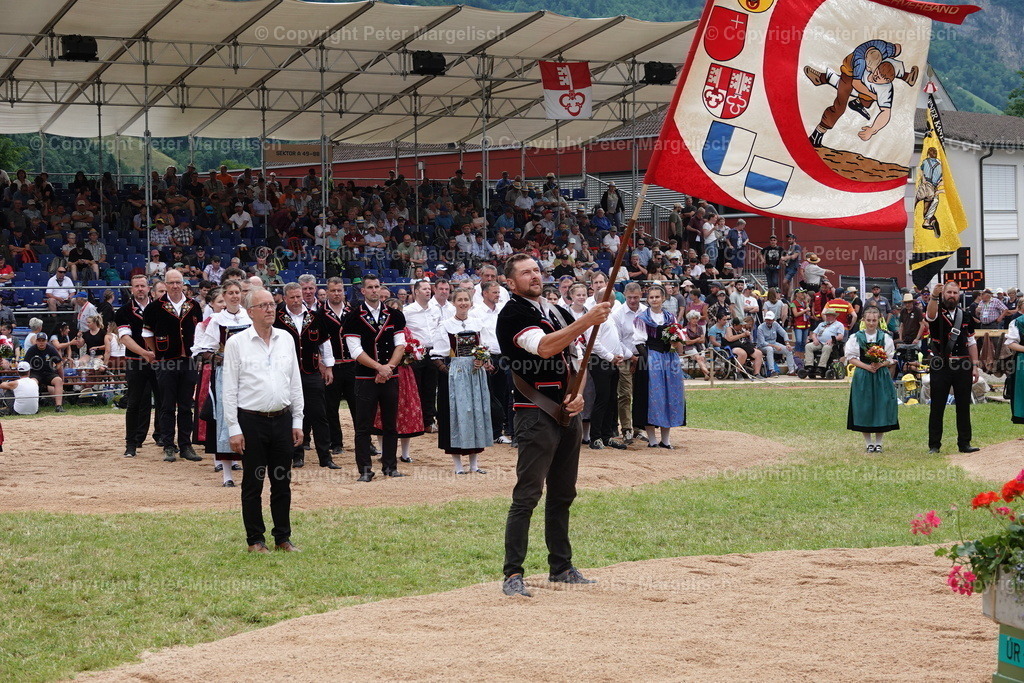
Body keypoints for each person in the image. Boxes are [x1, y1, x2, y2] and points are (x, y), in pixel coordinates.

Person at [496, 254, 611, 597]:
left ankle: (561, 567)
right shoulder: (513, 315)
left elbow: (578, 356)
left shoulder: (557, 311)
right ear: (510, 282)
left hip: (567, 411)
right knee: (527, 495)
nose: (534, 275)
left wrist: (578, 394)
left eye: (536, 270)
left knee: (563, 493)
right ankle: (513, 573)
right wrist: (588, 319)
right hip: (534, 411)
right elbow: (545, 347)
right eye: (525, 272)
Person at [222, 287, 304, 553]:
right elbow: (229, 390)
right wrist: (234, 428)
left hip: (282, 420)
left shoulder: (287, 338)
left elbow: (295, 382)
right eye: (263, 305)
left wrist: (297, 421)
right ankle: (255, 540)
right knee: (253, 483)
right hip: (251, 422)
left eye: (272, 304)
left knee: (282, 482)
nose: (270, 309)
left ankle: (283, 537)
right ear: (250, 312)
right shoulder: (237, 343)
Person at [343, 274, 408, 481]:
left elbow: (401, 345)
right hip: (365, 379)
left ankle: (390, 466)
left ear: (381, 289)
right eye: (369, 287)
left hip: (390, 375)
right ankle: (365, 470)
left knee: (391, 424)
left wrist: (388, 368)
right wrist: (379, 368)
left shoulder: (395, 315)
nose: (374, 290)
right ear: (362, 291)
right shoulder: (353, 317)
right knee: (363, 425)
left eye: (377, 287)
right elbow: (355, 351)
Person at [274, 282, 339, 470]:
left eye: (298, 297)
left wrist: (329, 367)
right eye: (292, 297)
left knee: (319, 415)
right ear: (285, 298)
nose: (296, 300)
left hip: (310, 372)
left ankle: (325, 457)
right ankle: (296, 455)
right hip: (285, 374)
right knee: (291, 415)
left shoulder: (315, 316)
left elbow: (325, 343)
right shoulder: (276, 318)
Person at [192, 282, 251, 486]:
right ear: (224, 296)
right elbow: (203, 351)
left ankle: (250, 468)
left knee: (250, 416)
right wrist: (220, 357)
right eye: (231, 293)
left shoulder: (249, 317)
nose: (235, 296)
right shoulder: (217, 320)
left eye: (238, 293)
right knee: (225, 421)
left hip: (250, 374)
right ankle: (227, 474)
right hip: (225, 374)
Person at [143, 269, 204, 462]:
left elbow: (200, 332)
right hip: (166, 362)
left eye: (178, 282)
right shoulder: (153, 307)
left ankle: (186, 445)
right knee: (167, 405)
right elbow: (147, 335)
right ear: (166, 284)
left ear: (184, 283)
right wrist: (158, 356)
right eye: (171, 283)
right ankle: (169, 445)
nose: (175, 286)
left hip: (188, 361)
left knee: (186, 405)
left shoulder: (194, 305)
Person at [431, 288, 492, 474]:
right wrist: (448, 369)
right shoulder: (446, 324)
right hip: (456, 374)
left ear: (471, 303)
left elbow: (486, 348)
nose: (463, 303)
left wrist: (483, 360)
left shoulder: (478, 323)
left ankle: (474, 464)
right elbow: (436, 354)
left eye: (466, 300)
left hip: (476, 373)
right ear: (454, 302)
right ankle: (458, 465)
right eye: (460, 300)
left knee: (475, 413)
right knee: (457, 414)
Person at [926, 281, 980, 454]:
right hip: (941, 365)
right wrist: (934, 295)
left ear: (959, 295)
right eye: (949, 292)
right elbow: (930, 314)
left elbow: (971, 342)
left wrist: (975, 366)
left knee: (963, 405)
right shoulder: (936, 311)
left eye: (955, 293)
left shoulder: (965, 315)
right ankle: (934, 445)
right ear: (944, 294)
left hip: (963, 365)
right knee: (937, 406)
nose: (952, 295)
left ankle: (964, 443)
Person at [115, 274, 161, 457]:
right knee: (134, 403)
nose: (140, 289)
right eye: (137, 286)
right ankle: (131, 443)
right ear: (131, 289)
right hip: (136, 362)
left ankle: (165, 439)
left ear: (149, 287)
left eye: (143, 285)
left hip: (158, 361)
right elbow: (124, 338)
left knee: (163, 402)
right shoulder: (124, 311)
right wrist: (145, 353)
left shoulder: (160, 308)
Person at [844, 305, 899, 452]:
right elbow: (851, 358)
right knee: (864, 406)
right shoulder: (856, 337)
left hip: (880, 375)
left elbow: (890, 359)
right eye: (868, 320)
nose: (871, 323)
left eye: (874, 320)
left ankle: (879, 443)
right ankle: (868, 443)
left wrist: (880, 364)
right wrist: (867, 366)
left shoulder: (885, 337)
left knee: (881, 405)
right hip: (863, 374)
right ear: (863, 320)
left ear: (879, 320)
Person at [320, 277, 355, 455]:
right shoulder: (320, 312)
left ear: (344, 291)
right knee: (331, 407)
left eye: (339, 290)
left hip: (353, 365)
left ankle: (364, 440)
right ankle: (336, 442)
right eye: (333, 290)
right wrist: (325, 365)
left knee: (358, 406)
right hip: (332, 367)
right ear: (327, 292)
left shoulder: (353, 311)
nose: (336, 293)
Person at [403, 280, 441, 433]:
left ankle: (429, 421)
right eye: (424, 289)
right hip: (416, 354)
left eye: (429, 288)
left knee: (431, 388)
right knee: (416, 388)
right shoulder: (407, 311)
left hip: (432, 352)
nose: (428, 291)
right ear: (416, 291)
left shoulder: (435, 309)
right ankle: (416, 420)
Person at [23, 334, 65, 412]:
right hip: (36, 373)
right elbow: (26, 364)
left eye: (43, 341)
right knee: (33, 382)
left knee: (58, 380)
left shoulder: (51, 349)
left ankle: (59, 406)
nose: (41, 343)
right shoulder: (32, 350)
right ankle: (34, 406)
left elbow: (59, 363)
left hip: (49, 373)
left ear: (46, 341)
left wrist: (55, 370)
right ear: (36, 341)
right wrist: (27, 377)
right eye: (39, 341)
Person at [805, 309, 846, 379]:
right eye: (827, 316)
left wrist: (832, 339)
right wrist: (815, 339)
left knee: (826, 347)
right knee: (808, 346)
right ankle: (809, 366)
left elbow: (840, 336)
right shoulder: (822, 324)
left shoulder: (839, 325)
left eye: (829, 316)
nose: (828, 317)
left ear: (834, 316)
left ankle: (821, 367)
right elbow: (814, 333)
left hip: (831, 344)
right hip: (820, 342)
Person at [756, 310, 796, 376]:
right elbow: (762, 342)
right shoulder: (760, 327)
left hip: (774, 343)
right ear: (765, 319)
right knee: (769, 349)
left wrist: (787, 343)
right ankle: (772, 370)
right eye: (767, 320)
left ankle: (791, 370)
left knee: (788, 350)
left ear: (773, 320)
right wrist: (774, 346)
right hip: (763, 346)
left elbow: (784, 333)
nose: (768, 321)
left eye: (770, 320)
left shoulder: (775, 324)